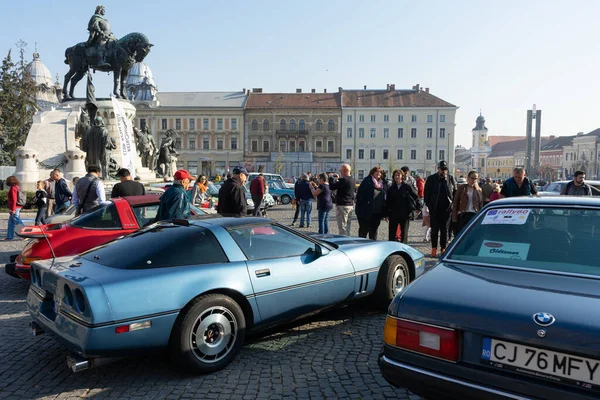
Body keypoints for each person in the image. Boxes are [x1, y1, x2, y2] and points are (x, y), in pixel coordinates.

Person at [424, 161, 455, 257]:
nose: (444, 171)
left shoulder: (450, 179)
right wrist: (429, 206)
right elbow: (426, 194)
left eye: (445, 169)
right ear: (438, 169)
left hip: (446, 210)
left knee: (444, 231)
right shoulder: (431, 179)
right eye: (442, 169)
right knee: (434, 230)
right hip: (435, 209)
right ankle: (434, 248)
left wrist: (453, 204)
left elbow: (454, 192)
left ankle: (443, 248)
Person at [385, 169, 420, 243]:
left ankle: (404, 249)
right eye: (395, 175)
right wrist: (386, 214)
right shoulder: (391, 188)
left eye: (398, 175)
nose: (397, 177)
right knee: (392, 233)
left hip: (405, 213)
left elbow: (416, 196)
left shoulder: (407, 186)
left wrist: (418, 207)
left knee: (404, 233)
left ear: (402, 176)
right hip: (393, 214)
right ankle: (391, 248)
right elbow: (388, 202)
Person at [355, 166, 386, 240]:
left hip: (377, 212)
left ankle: (372, 247)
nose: (378, 173)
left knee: (374, 232)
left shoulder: (381, 183)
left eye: (380, 172)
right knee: (363, 232)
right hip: (365, 212)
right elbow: (360, 196)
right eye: (377, 171)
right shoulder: (367, 181)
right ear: (372, 172)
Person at [451, 170, 483, 235]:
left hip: (473, 215)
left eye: (476, 178)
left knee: (471, 235)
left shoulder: (478, 190)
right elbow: (455, 203)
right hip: (463, 215)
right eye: (472, 178)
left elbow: (480, 204)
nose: (474, 180)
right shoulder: (461, 188)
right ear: (468, 178)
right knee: (460, 235)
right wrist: (454, 219)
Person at [328, 164, 356, 236]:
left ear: (344, 170)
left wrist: (331, 178)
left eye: (340, 170)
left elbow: (332, 187)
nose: (340, 172)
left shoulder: (343, 180)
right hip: (350, 204)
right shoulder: (353, 180)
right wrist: (337, 179)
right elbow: (341, 185)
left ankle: (343, 241)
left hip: (342, 205)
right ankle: (347, 238)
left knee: (342, 226)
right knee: (348, 225)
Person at [5, 176, 24, 240]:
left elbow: (14, 199)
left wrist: (13, 209)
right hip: (17, 206)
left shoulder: (13, 188)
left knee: (17, 221)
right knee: (11, 222)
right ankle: (9, 236)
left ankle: (25, 234)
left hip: (14, 207)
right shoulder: (17, 187)